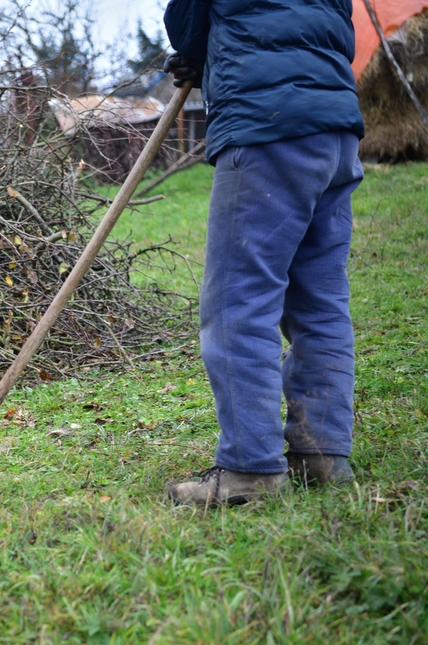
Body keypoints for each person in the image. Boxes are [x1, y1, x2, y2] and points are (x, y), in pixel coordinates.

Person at [162, 0, 366, 507]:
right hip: (336, 132)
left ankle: (250, 469)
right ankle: (320, 454)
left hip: (267, 127)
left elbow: (186, 21)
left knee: (239, 301)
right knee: (320, 300)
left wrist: (194, 53)